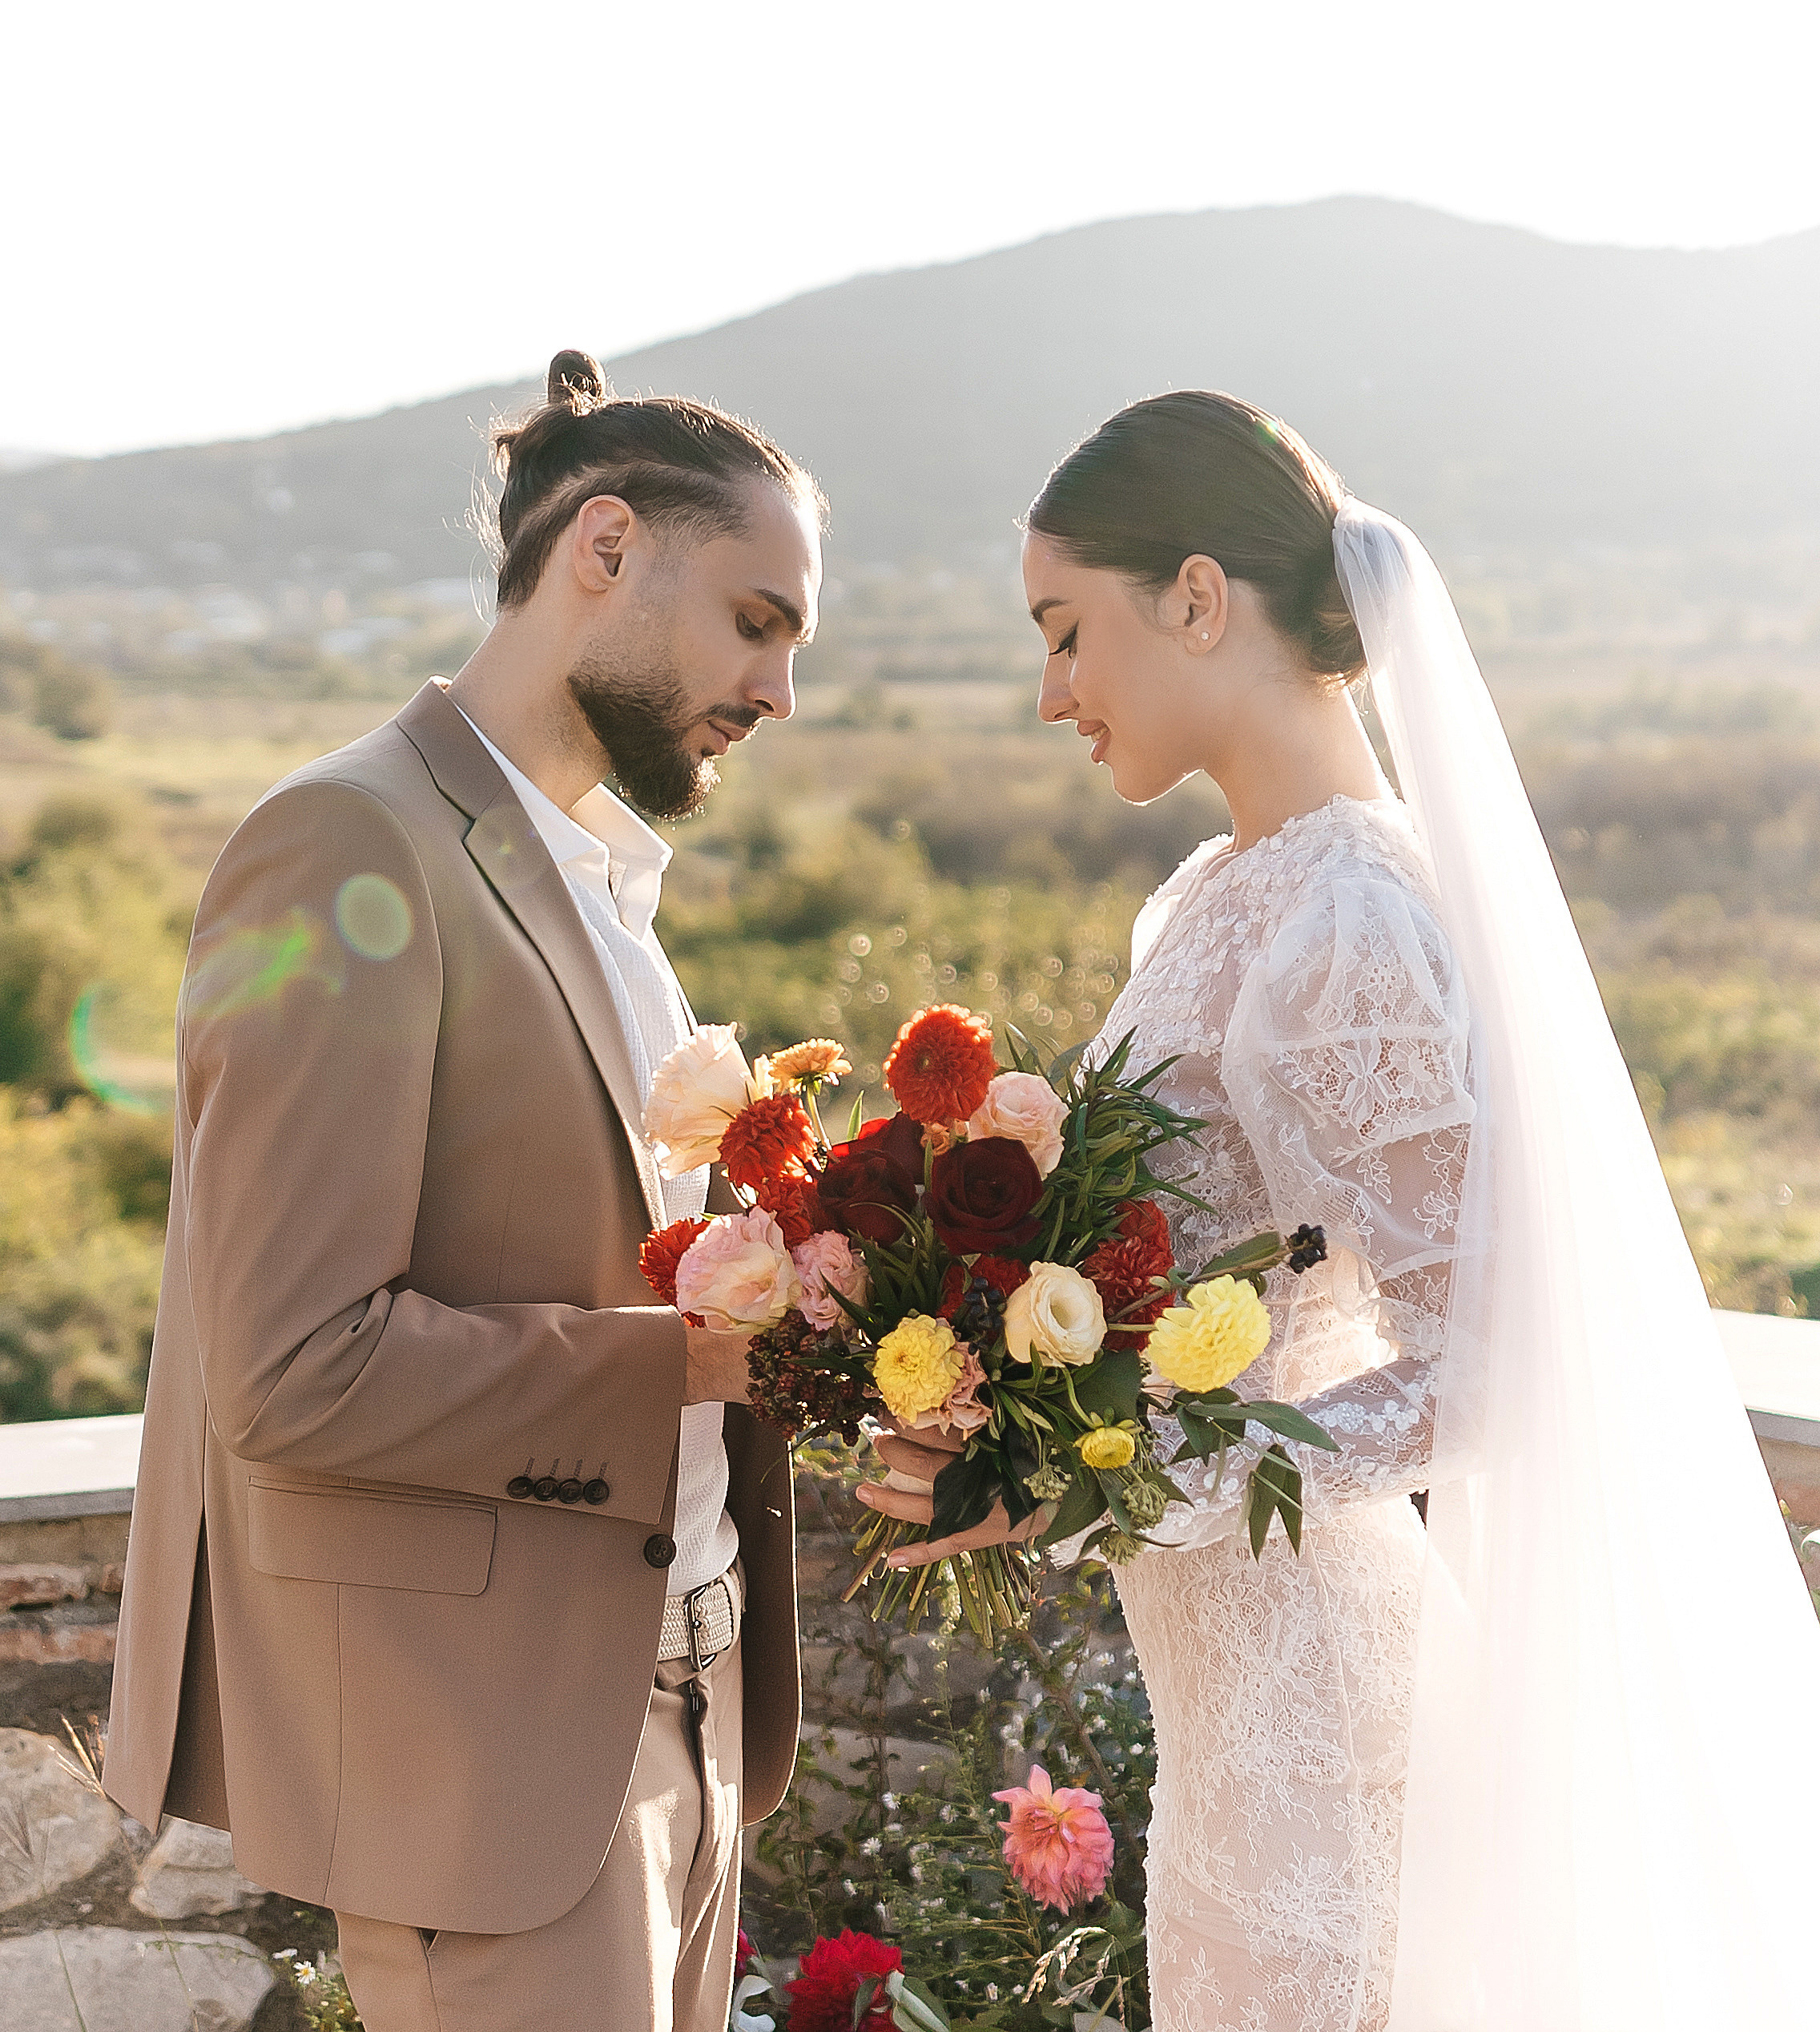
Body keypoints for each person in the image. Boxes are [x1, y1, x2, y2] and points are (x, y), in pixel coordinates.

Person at [863, 390, 1820, 2030]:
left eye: (1063, 633)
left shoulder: (1347, 926)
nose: (1047, 696)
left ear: (1191, 597)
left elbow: (1483, 1372)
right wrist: (1006, 1421)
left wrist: (1116, 1479)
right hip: (1233, 1684)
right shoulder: (1225, 892)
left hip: (1312, 1685)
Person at [105, 350, 823, 2032]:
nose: (779, 690)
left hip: (691, 1713)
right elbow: (295, 1367)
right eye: (755, 620)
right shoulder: (346, 846)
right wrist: (685, 1357)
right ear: (602, 548)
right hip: (502, 1770)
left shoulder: (604, 891)